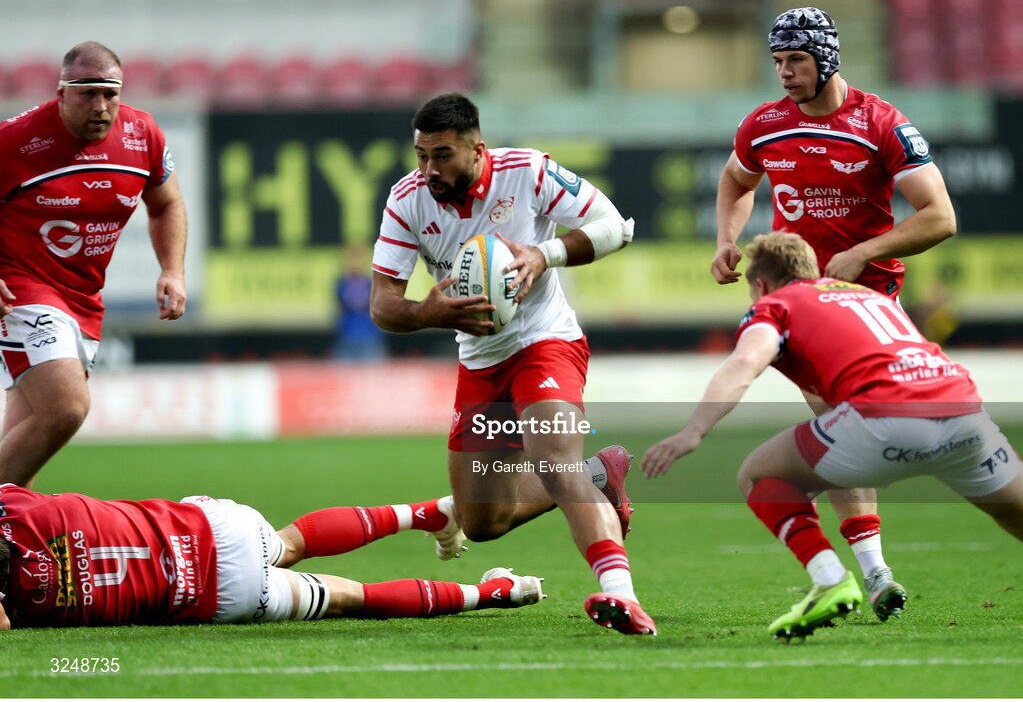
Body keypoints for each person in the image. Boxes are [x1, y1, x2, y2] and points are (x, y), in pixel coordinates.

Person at [643, 231, 1022, 640]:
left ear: (760, 285)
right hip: (964, 410)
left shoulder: (775, 305)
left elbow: (744, 363)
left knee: (757, 475)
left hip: (886, 418)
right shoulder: (869, 296)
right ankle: (867, 572)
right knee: (1012, 513)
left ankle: (829, 578)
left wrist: (694, 431)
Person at [370, 93, 655, 635]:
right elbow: (382, 304)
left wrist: (541, 255)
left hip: (545, 342)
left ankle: (622, 595)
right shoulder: (407, 199)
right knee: (482, 522)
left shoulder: (527, 171)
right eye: (421, 155)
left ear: (477, 149)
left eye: (443, 156)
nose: (429, 168)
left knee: (553, 457)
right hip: (479, 360)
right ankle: (601, 476)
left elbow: (615, 226)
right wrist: (428, 311)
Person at [710, 7, 958, 622]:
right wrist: (725, 239)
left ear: (826, 58)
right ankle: (873, 576)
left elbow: (940, 216)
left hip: (872, 300)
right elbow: (736, 183)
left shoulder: (881, 123)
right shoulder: (763, 125)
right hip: (803, 304)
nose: (785, 73)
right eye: (777, 62)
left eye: (795, 60)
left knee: (871, 432)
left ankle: (858, 562)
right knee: (843, 428)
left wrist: (863, 253)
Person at [0, 42, 187, 488]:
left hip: (83, 298)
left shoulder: (143, 134)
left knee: (26, 438)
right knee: (66, 408)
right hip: (22, 289)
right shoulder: (14, 140)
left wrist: (172, 269)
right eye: (87, 93)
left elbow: (167, 203)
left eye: (110, 93)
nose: (100, 106)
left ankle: (6, 527)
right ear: (61, 92)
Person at [0, 485, 544, 629]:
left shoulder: (19, 604)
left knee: (350, 599)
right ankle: (423, 512)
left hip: (215, 597)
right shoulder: (12, 502)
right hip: (214, 531)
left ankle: (493, 593)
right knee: (292, 542)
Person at [331, 243, 387, 361]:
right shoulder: (341, 284)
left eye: (358, 257)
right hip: (347, 337)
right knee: (343, 377)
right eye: (351, 258)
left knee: (373, 377)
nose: (355, 262)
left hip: (370, 337)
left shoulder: (372, 284)